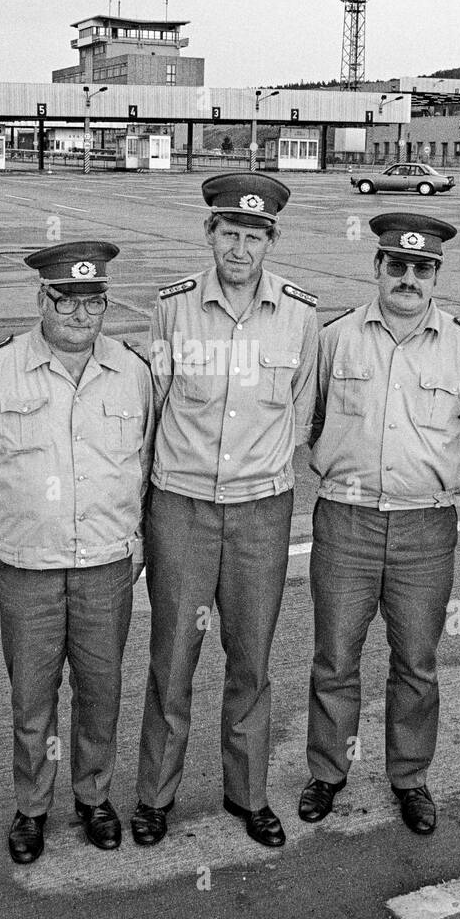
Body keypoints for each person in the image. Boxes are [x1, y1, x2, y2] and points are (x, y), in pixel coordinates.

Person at [132, 173, 318, 849]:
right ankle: (155, 796)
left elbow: (301, 412)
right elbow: (153, 405)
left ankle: (247, 795)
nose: (240, 246)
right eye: (229, 232)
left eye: (254, 235)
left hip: (260, 514)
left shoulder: (301, 314)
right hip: (180, 508)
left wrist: (262, 476)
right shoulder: (173, 307)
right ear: (209, 234)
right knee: (172, 660)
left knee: (252, 661)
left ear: (272, 240)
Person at [0, 241, 154, 861]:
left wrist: (136, 548)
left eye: (92, 303)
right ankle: (31, 808)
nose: (79, 315)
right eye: (66, 301)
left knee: (101, 691)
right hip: (28, 568)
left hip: (104, 567)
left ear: (105, 306)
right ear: (43, 299)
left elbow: (146, 470)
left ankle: (94, 797)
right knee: (32, 700)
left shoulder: (132, 372)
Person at [299, 212, 460, 833]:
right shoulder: (334, 339)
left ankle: (410, 777)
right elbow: (313, 419)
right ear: (376, 267)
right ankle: (328, 772)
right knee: (335, 656)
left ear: (436, 275)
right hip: (345, 522)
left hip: (425, 531)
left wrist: (422, 476)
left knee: (416, 661)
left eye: (422, 268)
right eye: (397, 266)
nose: (409, 277)